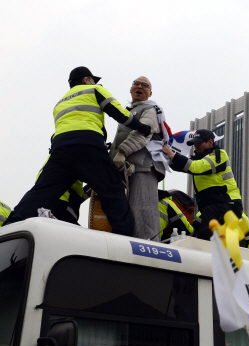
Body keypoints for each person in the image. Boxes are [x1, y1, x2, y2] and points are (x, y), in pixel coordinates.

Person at [3, 66, 151, 235]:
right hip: (88, 144)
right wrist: (142, 127)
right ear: (86, 79)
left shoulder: (60, 102)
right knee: (112, 188)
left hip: (60, 149)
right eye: (92, 79)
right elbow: (119, 113)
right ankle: (124, 236)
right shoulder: (94, 89)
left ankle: (10, 226)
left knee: (40, 193)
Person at [109, 76, 167, 241]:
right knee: (128, 213)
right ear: (131, 89)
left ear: (150, 92)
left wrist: (122, 152)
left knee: (143, 210)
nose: (140, 86)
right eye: (136, 83)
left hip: (144, 167)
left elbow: (144, 132)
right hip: (127, 168)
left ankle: (148, 251)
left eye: (145, 85)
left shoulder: (151, 109)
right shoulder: (128, 112)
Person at [162, 129, 243, 240]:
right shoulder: (199, 159)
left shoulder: (219, 154)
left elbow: (197, 167)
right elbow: (183, 166)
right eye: (195, 145)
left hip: (228, 205)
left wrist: (172, 154)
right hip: (211, 208)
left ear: (210, 142)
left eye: (199, 144)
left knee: (205, 233)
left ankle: (208, 252)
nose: (196, 147)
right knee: (195, 229)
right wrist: (166, 157)